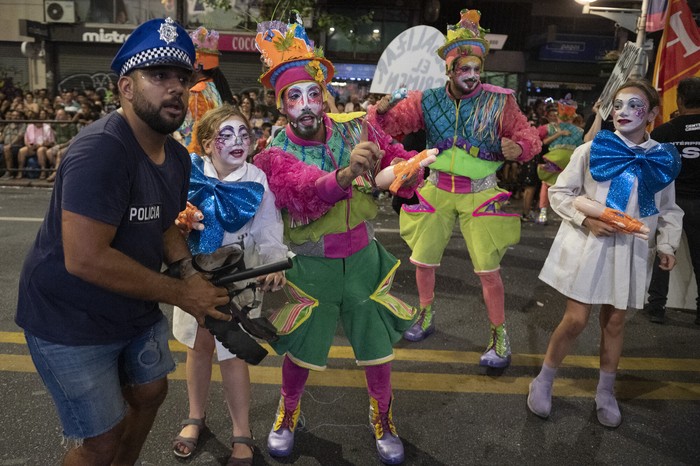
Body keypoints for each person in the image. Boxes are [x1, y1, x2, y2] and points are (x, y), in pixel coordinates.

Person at [14, 18, 232, 465]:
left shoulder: (174, 155)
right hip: (69, 319)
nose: (175, 88)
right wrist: (183, 294)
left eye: (181, 77)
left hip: (130, 308)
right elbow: (86, 259)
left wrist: (192, 271)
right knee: (101, 440)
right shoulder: (100, 151)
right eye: (158, 76)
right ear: (126, 88)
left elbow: (165, 224)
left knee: (151, 392)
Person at [253, 14, 420, 465]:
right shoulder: (273, 152)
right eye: (294, 97)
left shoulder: (355, 126)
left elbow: (396, 159)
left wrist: (411, 167)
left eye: (312, 93)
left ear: (323, 95)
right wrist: (347, 172)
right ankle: (287, 413)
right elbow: (308, 191)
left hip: (364, 259)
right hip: (312, 268)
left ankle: (383, 418)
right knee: (302, 351)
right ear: (281, 105)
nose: (306, 104)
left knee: (377, 349)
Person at [368, 9, 541, 368]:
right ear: (448, 70)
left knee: (487, 270)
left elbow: (526, 135)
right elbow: (394, 124)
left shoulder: (499, 100)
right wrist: (381, 110)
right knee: (423, 260)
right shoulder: (426, 99)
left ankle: (499, 335)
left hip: (480, 191)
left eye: (478, 69)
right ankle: (426, 315)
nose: (473, 76)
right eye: (465, 69)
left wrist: (520, 148)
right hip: (436, 187)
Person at [527, 79, 683, 428]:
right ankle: (545, 379)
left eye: (633, 105)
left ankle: (605, 391)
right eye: (618, 104)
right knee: (576, 319)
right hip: (591, 246)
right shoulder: (590, 149)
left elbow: (669, 208)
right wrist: (587, 221)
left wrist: (668, 244)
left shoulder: (662, 157)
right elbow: (560, 194)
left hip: (632, 250)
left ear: (653, 113)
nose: (622, 112)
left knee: (614, 323)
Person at [172, 104, 288, 464]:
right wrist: (181, 222)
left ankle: (242, 431)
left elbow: (269, 226)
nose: (238, 141)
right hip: (193, 276)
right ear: (207, 144)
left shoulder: (255, 179)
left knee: (234, 352)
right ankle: (196, 416)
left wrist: (272, 263)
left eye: (244, 134)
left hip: (238, 279)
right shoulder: (187, 173)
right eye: (227, 135)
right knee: (198, 345)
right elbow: (167, 219)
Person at [644, 77, 700, 324]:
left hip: (671, 202)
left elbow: (651, 172)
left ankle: (656, 306)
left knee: (664, 250)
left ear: (679, 100)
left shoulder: (663, 133)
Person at [179, 26, 235, 154]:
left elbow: (190, 129)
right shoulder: (215, 87)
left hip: (198, 155)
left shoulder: (197, 91)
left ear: (197, 66)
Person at [535, 97, 583, 225]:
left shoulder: (549, 128)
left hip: (553, 161)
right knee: (570, 188)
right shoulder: (580, 131)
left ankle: (543, 214)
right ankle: (568, 215)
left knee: (546, 184)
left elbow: (536, 138)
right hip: (571, 163)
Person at [17, 109, 55, 179]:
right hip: (31, 146)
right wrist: (29, 146)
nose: (38, 123)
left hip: (43, 146)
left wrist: (40, 145)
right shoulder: (30, 126)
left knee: (40, 150)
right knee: (22, 151)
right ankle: (20, 171)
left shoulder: (47, 127)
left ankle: (43, 171)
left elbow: (50, 142)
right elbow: (26, 139)